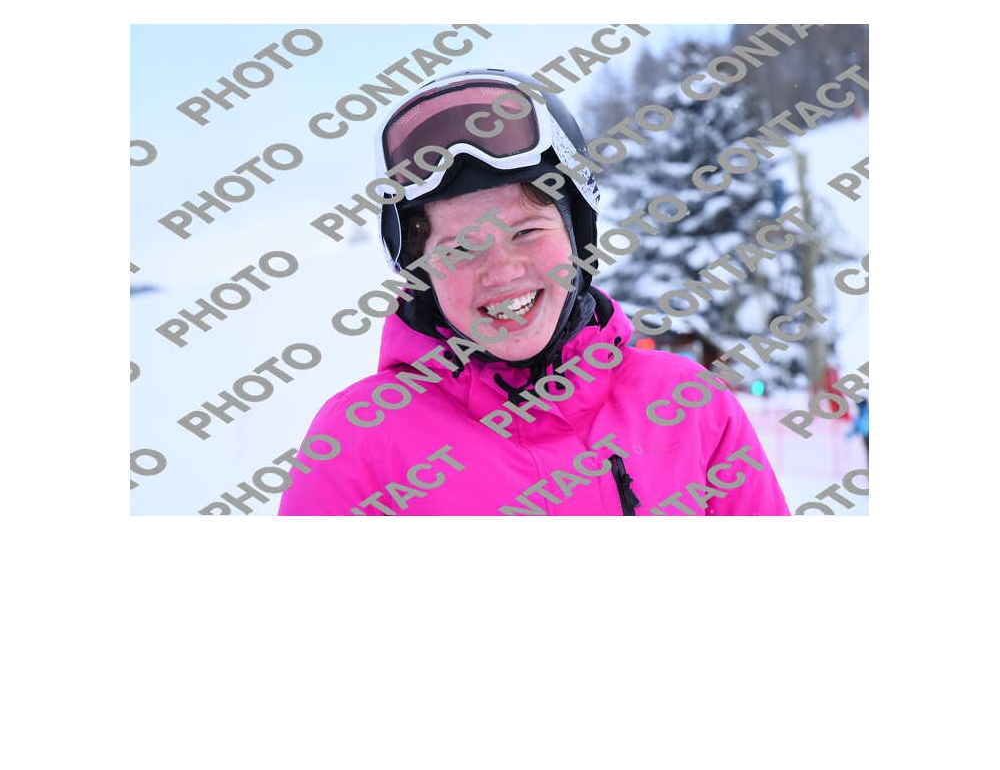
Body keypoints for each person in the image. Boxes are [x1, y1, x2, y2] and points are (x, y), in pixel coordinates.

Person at [279, 69, 790, 516]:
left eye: (526, 231)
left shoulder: (689, 404)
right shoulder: (360, 440)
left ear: (576, 237)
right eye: (460, 249)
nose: (502, 271)